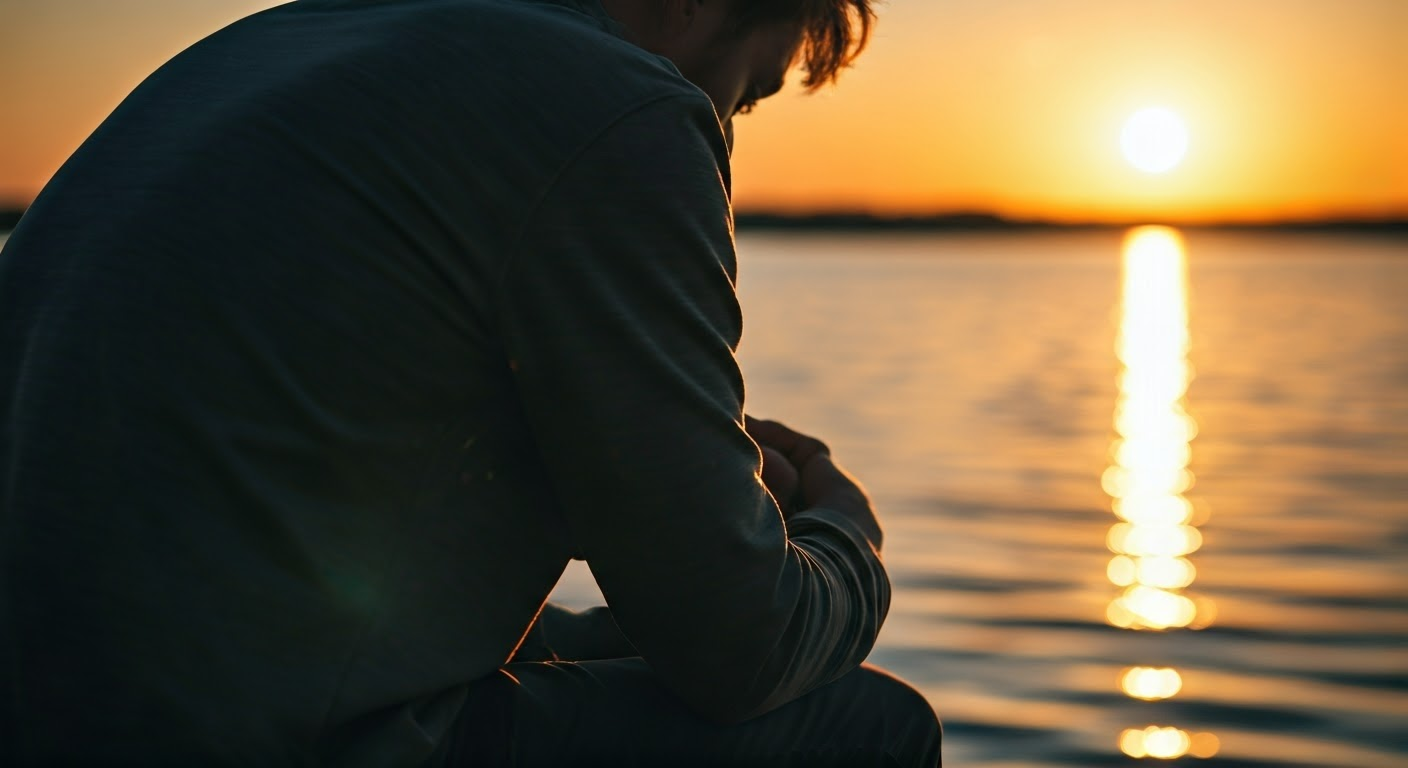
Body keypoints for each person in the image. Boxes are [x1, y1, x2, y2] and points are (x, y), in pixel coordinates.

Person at [0, 0, 942, 764]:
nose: (724, 134)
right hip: (248, 736)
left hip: (58, 700)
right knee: (869, 729)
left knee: (595, 638)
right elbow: (742, 648)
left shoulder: (269, 43)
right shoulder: (624, 104)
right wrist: (841, 527)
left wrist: (692, 481)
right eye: (748, 97)